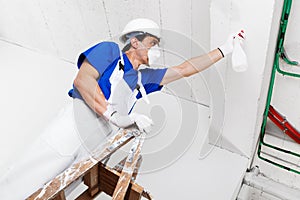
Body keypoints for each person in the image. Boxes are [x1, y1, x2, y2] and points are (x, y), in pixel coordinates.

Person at [0, 18, 245, 199]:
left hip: (100, 139)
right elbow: (83, 80)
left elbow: (184, 69)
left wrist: (224, 49)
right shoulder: (109, 51)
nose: (156, 49)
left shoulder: (144, 78)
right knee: (29, 176)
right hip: (77, 121)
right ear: (135, 41)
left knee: (63, 189)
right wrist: (115, 115)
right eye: (153, 43)